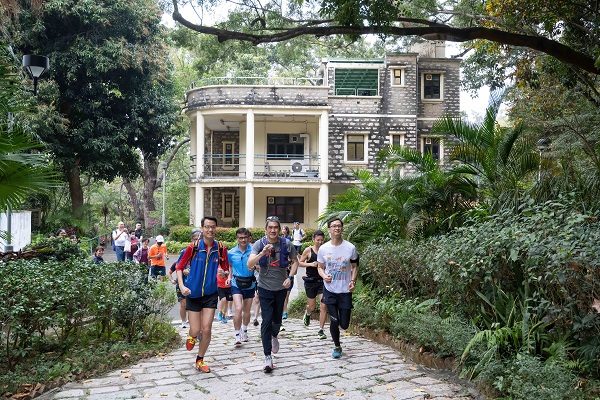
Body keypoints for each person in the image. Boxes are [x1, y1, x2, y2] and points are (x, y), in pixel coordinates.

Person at [177, 216, 229, 373]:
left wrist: (223, 273)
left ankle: (200, 360)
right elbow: (179, 267)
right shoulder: (192, 248)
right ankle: (192, 335)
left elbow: (226, 271)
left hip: (210, 294)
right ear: (202, 229)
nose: (210, 230)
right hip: (192, 293)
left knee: (206, 329)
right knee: (195, 329)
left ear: (216, 228)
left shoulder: (220, 248)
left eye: (213, 227)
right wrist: (182, 286)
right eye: (207, 227)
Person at [247, 216, 298, 373]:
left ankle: (274, 336)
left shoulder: (286, 244)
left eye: (276, 227)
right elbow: (250, 264)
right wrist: (262, 253)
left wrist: (290, 277)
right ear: (266, 229)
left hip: (281, 288)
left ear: (279, 229)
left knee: (277, 320)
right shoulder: (259, 244)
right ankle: (267, 357)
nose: (273, 230)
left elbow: (295, 261)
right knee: (266, 320)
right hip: (264, 287)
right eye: (270, 227)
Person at [317, 218, 359, 359]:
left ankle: (340, 334)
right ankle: (337, 346)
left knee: (344, 324)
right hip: (330, 289)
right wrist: (324, 276)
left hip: (345, 291)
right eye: (333, 226)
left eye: (339, 226)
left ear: (342, 228)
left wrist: (353, 280)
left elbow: (354, 267)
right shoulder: (323, 249)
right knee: (334, 320)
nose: (337, 228)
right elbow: (320, 267)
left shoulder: (350, 248)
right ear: (329, 229)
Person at [169, 228, 201, 329]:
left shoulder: (204, 252)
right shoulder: (185, 251)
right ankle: (183, 321)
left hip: (195, 283)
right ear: (191, 239)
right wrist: (183, 271)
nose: (197, 241)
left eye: (200, 239)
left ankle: (194, 325)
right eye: (195, 239)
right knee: (183, 303)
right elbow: (178, 266)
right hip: (182, 281)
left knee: (194, 305)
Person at [228, 228, 255, 345]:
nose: (243, 240)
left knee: (247, 311)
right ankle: (237, 335)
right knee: (238, 308)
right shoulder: (231, 252)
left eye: (245, 237)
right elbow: (229, 266)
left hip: (250, 283)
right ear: (237, 239)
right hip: (236, 283)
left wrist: (255, 267)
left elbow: (260, 265)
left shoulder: (254, 251)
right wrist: (229, 277)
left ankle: (244, 330)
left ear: (249, 238)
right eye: (240, 238)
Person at [299, 229, 327, 339]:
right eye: (318, 240)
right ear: (313, 240)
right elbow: (300, 263)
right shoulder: (308, 250)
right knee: (312, 306)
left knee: (324, 304)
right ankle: (308, 313)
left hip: (322, 281)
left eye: (322, 240)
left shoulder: (325, 251)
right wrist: (311, 264)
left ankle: (321, 330)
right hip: (310, 281)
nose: (320, 242)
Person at [217, 256, 233, 324]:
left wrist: (229, 278)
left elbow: (230, 273)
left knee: (226, 302)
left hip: (228, 286)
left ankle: (224, 316)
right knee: (223, 299)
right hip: (220, 285)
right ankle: (220, 312)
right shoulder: (217, 264)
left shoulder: (229, 264)